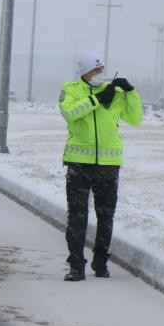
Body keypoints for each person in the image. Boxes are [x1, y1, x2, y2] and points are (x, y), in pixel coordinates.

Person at [58, 51, 142, 281]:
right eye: (95, 70)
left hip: (108, 165)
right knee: (77, 216)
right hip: (79, 164)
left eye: (101, 69)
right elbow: (69, 113)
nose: (99, 73)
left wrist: (131, 92)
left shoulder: (115, 93)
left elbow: (135, 119)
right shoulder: (71, 89)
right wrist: (96, 100)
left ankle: (101, 262)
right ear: (84, 72)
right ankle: (76, 266)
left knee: (106, 216)